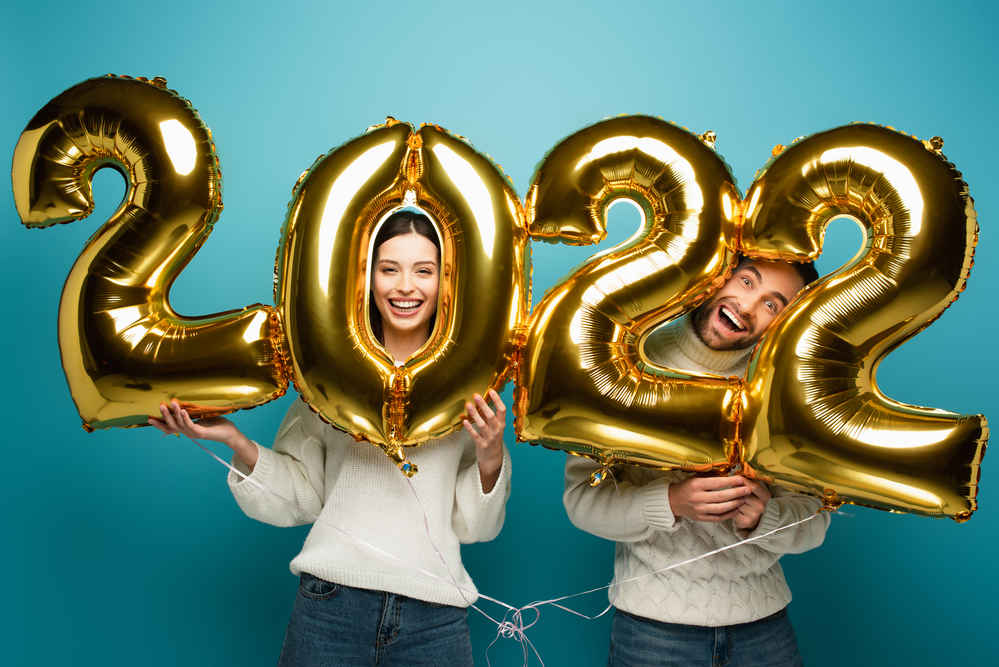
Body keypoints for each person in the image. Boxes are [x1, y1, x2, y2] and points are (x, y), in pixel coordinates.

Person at [150, 210, 511, 667]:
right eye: (389, 269)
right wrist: (234, 440)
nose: (406, 286)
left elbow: (476, 528)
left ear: (447, 281)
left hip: (435, 616)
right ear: (366, 278)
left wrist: (491, 455)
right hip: (331, 609)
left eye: (424, 271)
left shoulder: (473, 385)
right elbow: (302, 493)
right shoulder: (327, 374)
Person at [563, 257, 829, 667]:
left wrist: (764, 517)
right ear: (719, 275)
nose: (747, 306)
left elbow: (816, 522)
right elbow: (583, 501)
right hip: (652, 634)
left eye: (772, 305)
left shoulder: (788, 390)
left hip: (764, 631)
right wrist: (671, 501)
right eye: (745, 281)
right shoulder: (624, 362)